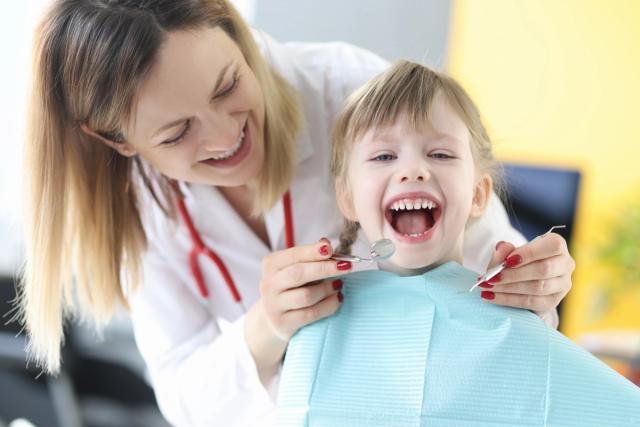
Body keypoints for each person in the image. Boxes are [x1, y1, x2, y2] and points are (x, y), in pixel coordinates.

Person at [20, 1, 574, 426]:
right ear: (118, 142)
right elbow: (186, 401)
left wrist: (533, 286)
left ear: (233, 30)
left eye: (228, 85)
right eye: (177, 132)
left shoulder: (357, 96)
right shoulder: (140, 205)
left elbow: (492, 273)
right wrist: (266, 328)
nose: (224, 135)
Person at [276, 60, 640, 427]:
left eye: (440, 154)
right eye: (384, 156)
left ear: (479, 194)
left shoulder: (517, 321)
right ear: (348, 198)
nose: (413, 169)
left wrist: (533, 322)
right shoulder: (317, 318)